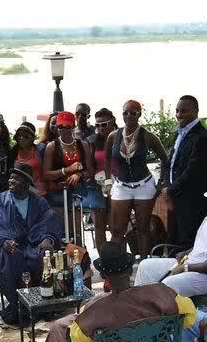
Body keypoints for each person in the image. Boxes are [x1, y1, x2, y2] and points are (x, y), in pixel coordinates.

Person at [38, 241, 196, 342]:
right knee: (62, 328)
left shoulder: (97, 311)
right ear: (130, 270)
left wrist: (85, 314)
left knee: (60, 331)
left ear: (103, 276)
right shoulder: (162, 293)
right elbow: (189, 317)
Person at [0, 163, 63, 325]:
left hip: (32, 245)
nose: (10, 181)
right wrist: (3, 241)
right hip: (8, 247)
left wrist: (47, 239)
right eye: (10, 178)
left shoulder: (39, 202)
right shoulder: (0, 201)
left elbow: (49, 222)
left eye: (15, 179)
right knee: (10, 257)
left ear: (26, 182)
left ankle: (43, 303)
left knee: (43, 256)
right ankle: (19, 305)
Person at [135, 180, 207, 296]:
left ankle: (157, 306)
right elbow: (204, 243)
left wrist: (185, 268)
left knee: (168, 284)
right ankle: (139, 302)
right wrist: (186, 252)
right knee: (145, 266)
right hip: (189, 262)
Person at [103, 100, 169, 257]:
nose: (128, 116)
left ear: (139, 114)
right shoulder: (114, 136)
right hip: (121, 185)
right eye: (125, 113)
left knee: (143, 228)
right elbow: (107, 159)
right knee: (117, 230)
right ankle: (118, 264)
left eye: (133, 113)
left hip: (144, 185)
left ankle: (144, 263)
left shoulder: (148, 136)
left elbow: (165, 159)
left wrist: (161, 183)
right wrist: (108, 182)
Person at [160, 95, 207, 249]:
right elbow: (171, 163)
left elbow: (194, 170)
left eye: (184, 111)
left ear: (195, 111)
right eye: (177, 111)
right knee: (173, 240)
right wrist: (166, 186)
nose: (178, 115)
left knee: (189, 243)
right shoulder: (180, 133)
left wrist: (170, 190)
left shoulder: (201, 136)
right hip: (175, 198)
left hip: (191, 200)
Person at [43, 111, 95, 245]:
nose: (64, 130)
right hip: (57, 192)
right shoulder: (52, 146)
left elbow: (90, 170)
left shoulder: (83, 145)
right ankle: (62, 256)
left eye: (68, 127)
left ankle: (79, 256)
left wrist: (79, 174)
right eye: (61, 127)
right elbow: (46, 174)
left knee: (76, 232)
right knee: (60, 231)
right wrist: (66, 170)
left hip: (77, 192)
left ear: (73, 127)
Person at [85, 108, 117, 251]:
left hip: (117, 185)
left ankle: (117, 257)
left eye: (104, 124)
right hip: (97, 186)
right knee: (99, 225)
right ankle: (103, 258)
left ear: (112, 122)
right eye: (97, 125)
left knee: (116, 225)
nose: (100, 128)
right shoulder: (92, 141)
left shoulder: (119, 138)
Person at [11, 121, 46, 196]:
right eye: (19, 135)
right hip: (20, 191)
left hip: (40, 191)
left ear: (32, 138)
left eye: (26, 136)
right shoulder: (13, 152)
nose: (21, 138)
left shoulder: (40, 149)